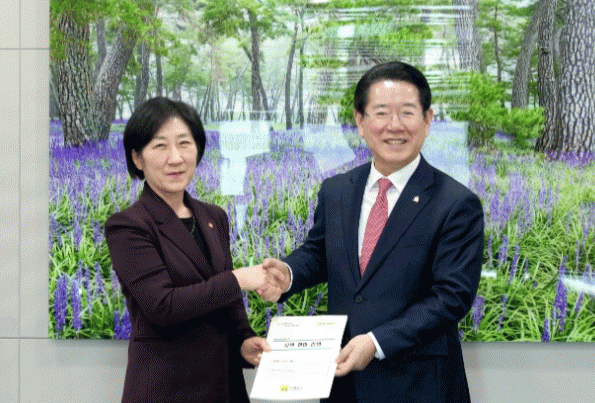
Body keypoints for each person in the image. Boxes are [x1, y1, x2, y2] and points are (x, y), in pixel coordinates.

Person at [262, 61, 484, 402]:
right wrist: (288, 274)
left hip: (420, 385)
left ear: (427, 120)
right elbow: (319, 252)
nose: (394, 125)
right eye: (381, 113)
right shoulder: (337, 190)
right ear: (360, 121)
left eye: (407, 112)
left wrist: (377, 342)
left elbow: (451, 296)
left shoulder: (456, 203)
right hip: (344, 381)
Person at [105, 97, 279, 403]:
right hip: (167, 389)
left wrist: (244, 339)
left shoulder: (213, 216)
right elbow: (163, 306)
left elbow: (228, 303)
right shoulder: (128, 226)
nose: (175, 158)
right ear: (137, 158)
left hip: (224, 388)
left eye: (184, 143)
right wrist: (238, 279)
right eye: (160, 146)